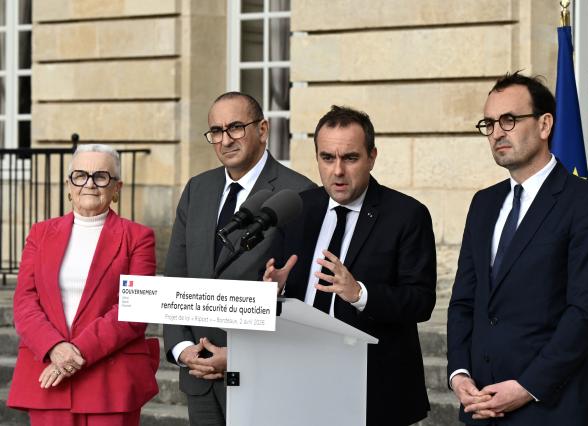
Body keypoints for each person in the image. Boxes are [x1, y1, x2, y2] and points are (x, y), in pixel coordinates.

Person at [447, 72, 588, 425]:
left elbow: (585, 312)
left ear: (544, 125)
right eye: (489, 123)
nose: (497, 132)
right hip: (481, 406)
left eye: (509, 120)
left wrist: (527, 386)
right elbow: (465, 299)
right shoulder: (483, 203)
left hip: (552, 406)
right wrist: (459, 373)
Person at [263, 105, 437, 426]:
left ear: (372, 156)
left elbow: (421, 302)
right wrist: (275, 291)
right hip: (300, 380)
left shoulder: (407, 215)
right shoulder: (299, 208)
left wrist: (359, 294)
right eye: (327, 158)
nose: (338, 171)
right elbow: (280, 290)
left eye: (350, 158)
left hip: (375, 388)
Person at [163, 92, 315, 425]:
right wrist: (182, 349)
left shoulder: (299, 194)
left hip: (262, 376)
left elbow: (304, 296)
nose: (225, 139)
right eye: (216, 131)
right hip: (199, 375)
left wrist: (240, 355)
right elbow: (176, 277)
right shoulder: (197, 189)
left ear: (263, 129)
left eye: (235, 127)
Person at [8, 144, 159, 425]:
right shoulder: (40, 234)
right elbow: (25, 302)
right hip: (48, 375)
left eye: (101, 176)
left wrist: (75, 353)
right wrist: (55, 348)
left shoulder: (138, 237)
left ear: (117, 188)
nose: (89, 184)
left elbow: (135, 308)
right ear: (69, 185)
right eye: (80, 175)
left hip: (110, 380)